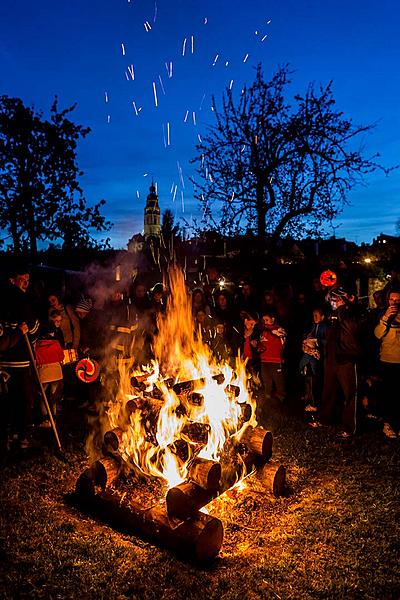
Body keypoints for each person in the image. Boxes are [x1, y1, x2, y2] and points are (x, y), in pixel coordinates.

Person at [0, 266, 40, 448]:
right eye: (22, 280)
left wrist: (30, 327)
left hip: (21, 360)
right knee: (18, 399)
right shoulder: (10, 301)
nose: (25, 284)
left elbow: (33, 326)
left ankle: (21, 434)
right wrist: (20, 330)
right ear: (11, 280)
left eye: (27, 280)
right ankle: (16, 434)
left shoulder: (25, 301)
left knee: (22, 399)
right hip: (11, 362)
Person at [317, 287, 361, 438]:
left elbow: (351, 330)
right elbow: (331, 334)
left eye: (334, 299)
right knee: (328, 391)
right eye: (330, 299)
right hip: (332, 358)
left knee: (349, 394)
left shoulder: (351, 312)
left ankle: (349, 427)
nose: (332, 302)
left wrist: (345, 306)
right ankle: (324, 419)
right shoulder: (333, 314)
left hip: (346, 358)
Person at [374, 289, 400, 438]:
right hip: (387, 360)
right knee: (388, 394)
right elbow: (377, 334)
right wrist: (385, 318)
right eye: (392, 300)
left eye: (398, 300)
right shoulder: (382, 315)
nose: (395, 303)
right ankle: (388, 424)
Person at [256, 309, 287, 420]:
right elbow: (262, 343)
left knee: (279, 383)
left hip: (276, 361)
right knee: (267, 383)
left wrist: (270, 330)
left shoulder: (279, 329)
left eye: (267, 320)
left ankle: (280, 406)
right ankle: (268, 406)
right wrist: (258, 346)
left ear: (273, 319)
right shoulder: (263, 331)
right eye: (263, 320)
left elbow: (281, 338)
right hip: (264, 361)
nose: (265, 322)